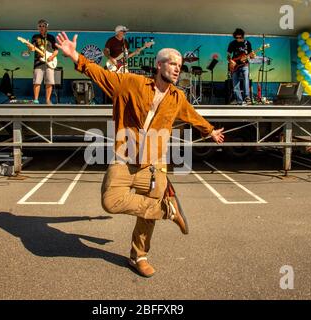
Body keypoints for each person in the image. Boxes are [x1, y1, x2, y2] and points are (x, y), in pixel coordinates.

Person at [56, 32, 225, 278]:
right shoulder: (131, 83)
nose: (177, 69)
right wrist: (74, 56)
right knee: (110, 200)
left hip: (154, 165)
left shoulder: (178, 97)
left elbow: (192, 115)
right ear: (159, 65)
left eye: (180, 65)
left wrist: (210, 131)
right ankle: (167, 209)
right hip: (124, 157)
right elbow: (101, 75)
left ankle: (139, 256)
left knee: (147, 215)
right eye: (172, 63)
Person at [26, 19, 59, 104]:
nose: (41, 27)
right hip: (38, 63)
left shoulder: (51, 37)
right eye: (39, 26)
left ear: (46, 27)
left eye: (43, 26)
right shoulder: (35, 37)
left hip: (49, 62)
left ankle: (48, 100)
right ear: (38, 27)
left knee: (49, 82)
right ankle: (36, 100)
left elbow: (56, 51)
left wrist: (52, 57)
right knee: (37, 82)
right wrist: (29, 46)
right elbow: (33, 49)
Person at [227, 28, 255, 106]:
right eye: (236, 38)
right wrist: (230, 61)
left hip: (245, 65)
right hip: (235, 65)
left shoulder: (247, 43)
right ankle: (239, 100)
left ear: (243, 36)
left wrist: (252, 56)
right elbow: (228, 56)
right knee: (235, 83)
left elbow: (251, 56)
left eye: (240, 37)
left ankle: (247, 98)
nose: (238, 39)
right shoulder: (232, 43)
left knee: (246, 79)